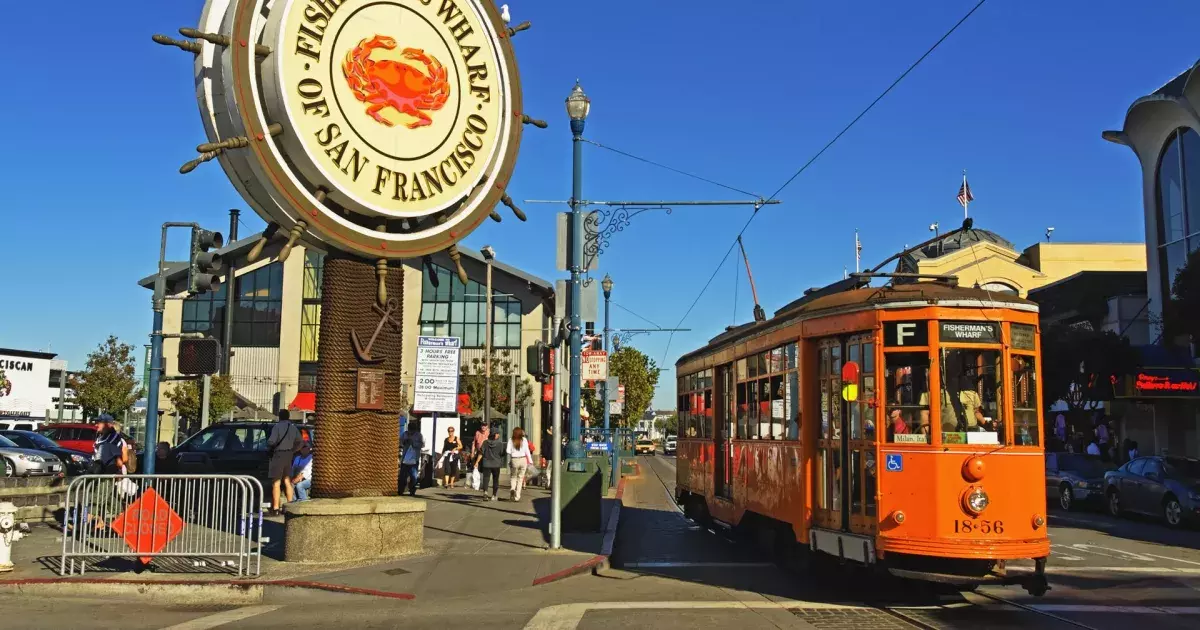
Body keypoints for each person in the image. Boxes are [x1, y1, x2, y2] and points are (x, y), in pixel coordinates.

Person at [267, 409, 301, 515]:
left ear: (279, 417)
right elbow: (300, 441)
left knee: (276, 482)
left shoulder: (277, 427)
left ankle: (276, 508)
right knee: (287, 481)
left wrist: (269, 445)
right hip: (289, 455)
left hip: (279, 455)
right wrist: (294, 450)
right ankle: (289, 505)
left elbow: (271, 441)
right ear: (288, 417)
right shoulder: (293, 427)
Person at [475, 430, 505, 501]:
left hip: (486, 463)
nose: (499, 435)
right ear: (495, 435)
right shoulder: (500, 443)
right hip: (496, 464)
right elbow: (502, 453)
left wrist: (477, 462)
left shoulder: (485, 442)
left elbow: (481, 453)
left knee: (486, 478)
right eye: (498, 434)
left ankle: (485, 493)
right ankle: (494, 495)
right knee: (495, 480)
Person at [507, 427, 533, 501]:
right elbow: (527, 451)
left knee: (513, 476)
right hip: (523, 459)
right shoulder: (524, 440)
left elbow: (508, 451)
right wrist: (530, 461)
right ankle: (517, 496)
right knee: (520, 478)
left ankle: (512, 489)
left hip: (514, 460)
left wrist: (513, 453)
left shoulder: (510, 440)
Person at [399, 421, 424, 497]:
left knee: (413, 476)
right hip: (405, 459)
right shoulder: (404, 434)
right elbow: (400, 442)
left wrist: (413, 443)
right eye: (410, 429)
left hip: (414, 459)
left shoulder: (419, 435)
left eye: (412, 429)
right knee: (402, 476)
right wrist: (405, 441)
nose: (411, 431)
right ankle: (401, 490)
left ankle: (412, 490)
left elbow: (422, 445)